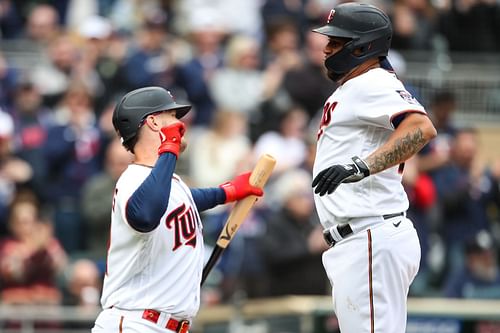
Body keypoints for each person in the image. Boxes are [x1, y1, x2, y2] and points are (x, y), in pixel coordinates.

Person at [92, 86, 263, 333]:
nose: (180, 123)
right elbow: (145, 215)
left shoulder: (170, 184)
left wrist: (227, 192)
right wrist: (168, 147)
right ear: (152, 122)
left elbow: (183, 199)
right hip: (135, 323)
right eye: (171, 116)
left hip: (162, 325)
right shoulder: (132, 177)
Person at [310, 3, 437, 333]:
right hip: (362, 238)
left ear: (363, 46)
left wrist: (360, 167)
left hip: (369, 235)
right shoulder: (357, 85)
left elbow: (421, 128)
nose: (327, 48)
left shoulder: (372, 81)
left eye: (336, 42)